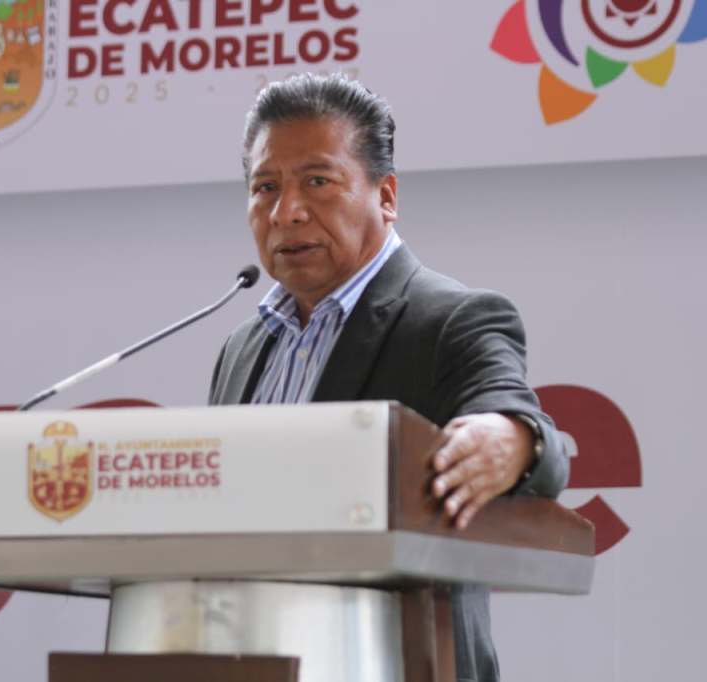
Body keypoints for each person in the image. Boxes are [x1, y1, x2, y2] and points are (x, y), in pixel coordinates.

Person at [209, 73, 569, 682]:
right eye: (265, 186)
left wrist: (513, 439)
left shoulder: (453, 319)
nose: (286, 211)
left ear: (386, 196)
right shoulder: (242, 348)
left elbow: (524, 425)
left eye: (317, 181)